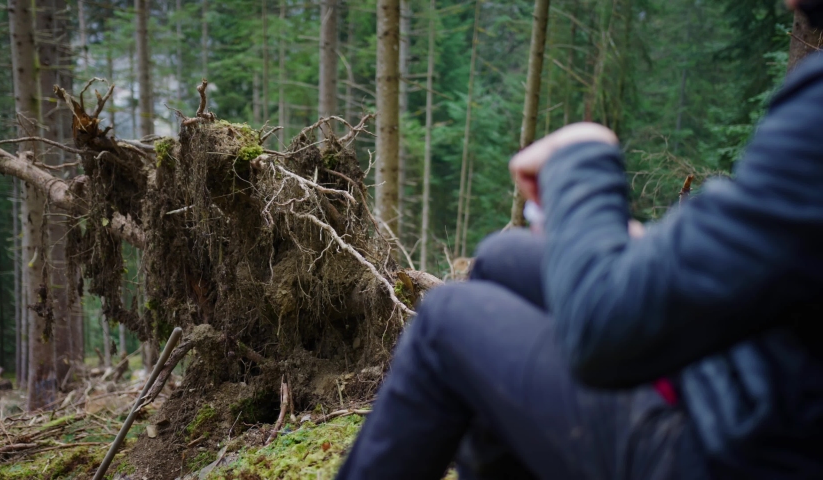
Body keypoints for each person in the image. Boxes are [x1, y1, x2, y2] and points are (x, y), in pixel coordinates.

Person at [336, 0, 823, 478]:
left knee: (445, 321)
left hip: (747, 449)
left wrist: (583, 160)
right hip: (767, 381)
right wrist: (641, 242)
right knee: (503, 257)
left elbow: (606, 329)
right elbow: (774, 245)